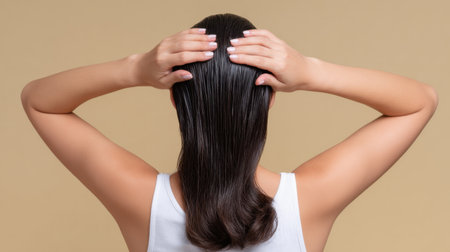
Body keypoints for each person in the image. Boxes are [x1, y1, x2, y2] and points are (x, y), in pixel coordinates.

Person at [21, 13, 438, 252]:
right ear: (270, 101)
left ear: (174, 102)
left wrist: (134, 68)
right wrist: (311, 71)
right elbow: (420, 100)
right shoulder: (310, 201)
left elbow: (39, 99)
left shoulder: (138, 201)